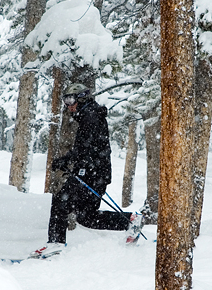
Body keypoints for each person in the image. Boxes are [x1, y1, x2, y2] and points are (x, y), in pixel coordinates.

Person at [30, 83, 143, 259]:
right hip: (96, 173)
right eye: (65, 100)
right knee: (87, 217)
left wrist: (67, 161)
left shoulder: (90, 117)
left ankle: (55, 244)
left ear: (81, 98)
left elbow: (85, 149)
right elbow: (89, 148)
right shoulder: (89, 115)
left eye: (70, 99)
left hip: (91, 173)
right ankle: (131, 221)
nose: (68, 105)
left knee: (60, 201)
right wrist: (72, 163)